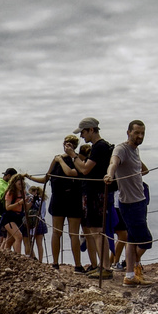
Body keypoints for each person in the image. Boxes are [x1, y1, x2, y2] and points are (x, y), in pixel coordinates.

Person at [70, 118, 115, 279]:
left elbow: (85, 169)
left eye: (82, 132)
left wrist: (73, 156)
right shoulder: (102, 147)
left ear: (90, 130)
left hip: (95, 193)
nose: (81, 136)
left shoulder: (99, 147)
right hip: (97, 192)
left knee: (97, 231)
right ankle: (104, 266)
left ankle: (105, 267)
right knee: (96, 230)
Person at [109, 120, 152, 285]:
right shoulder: (122, 148)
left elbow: (144, 170)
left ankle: (130, 275)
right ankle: (131, 266)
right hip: (130, 203)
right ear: (128, 132)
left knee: (132, 240)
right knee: (146, 241)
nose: (140, 136)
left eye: (142, 133)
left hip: (140, 201)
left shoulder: (135, 150)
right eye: (136, 133)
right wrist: (109, 175)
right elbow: (113, 163)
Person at [46, 135, 86, 271]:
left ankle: (78, 265)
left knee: (73, 233)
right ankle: (55, 263)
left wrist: (61, 160)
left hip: (73, 199)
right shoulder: (57, 159)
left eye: (70, 143)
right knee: (57, 232)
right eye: (66, 143)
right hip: (58, 199)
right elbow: (47, 176)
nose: (67, 145)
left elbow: (71, 173)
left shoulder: (77, 159)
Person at [0, 169, 23, 251]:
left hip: (12, 214)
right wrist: (19, 202)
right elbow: (3, 201)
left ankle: (5, 254)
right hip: (3, 214)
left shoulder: (6, 185)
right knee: (4, 238)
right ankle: (0, 253)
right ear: (9, 176)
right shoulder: (0, 185)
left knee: (8, 238)